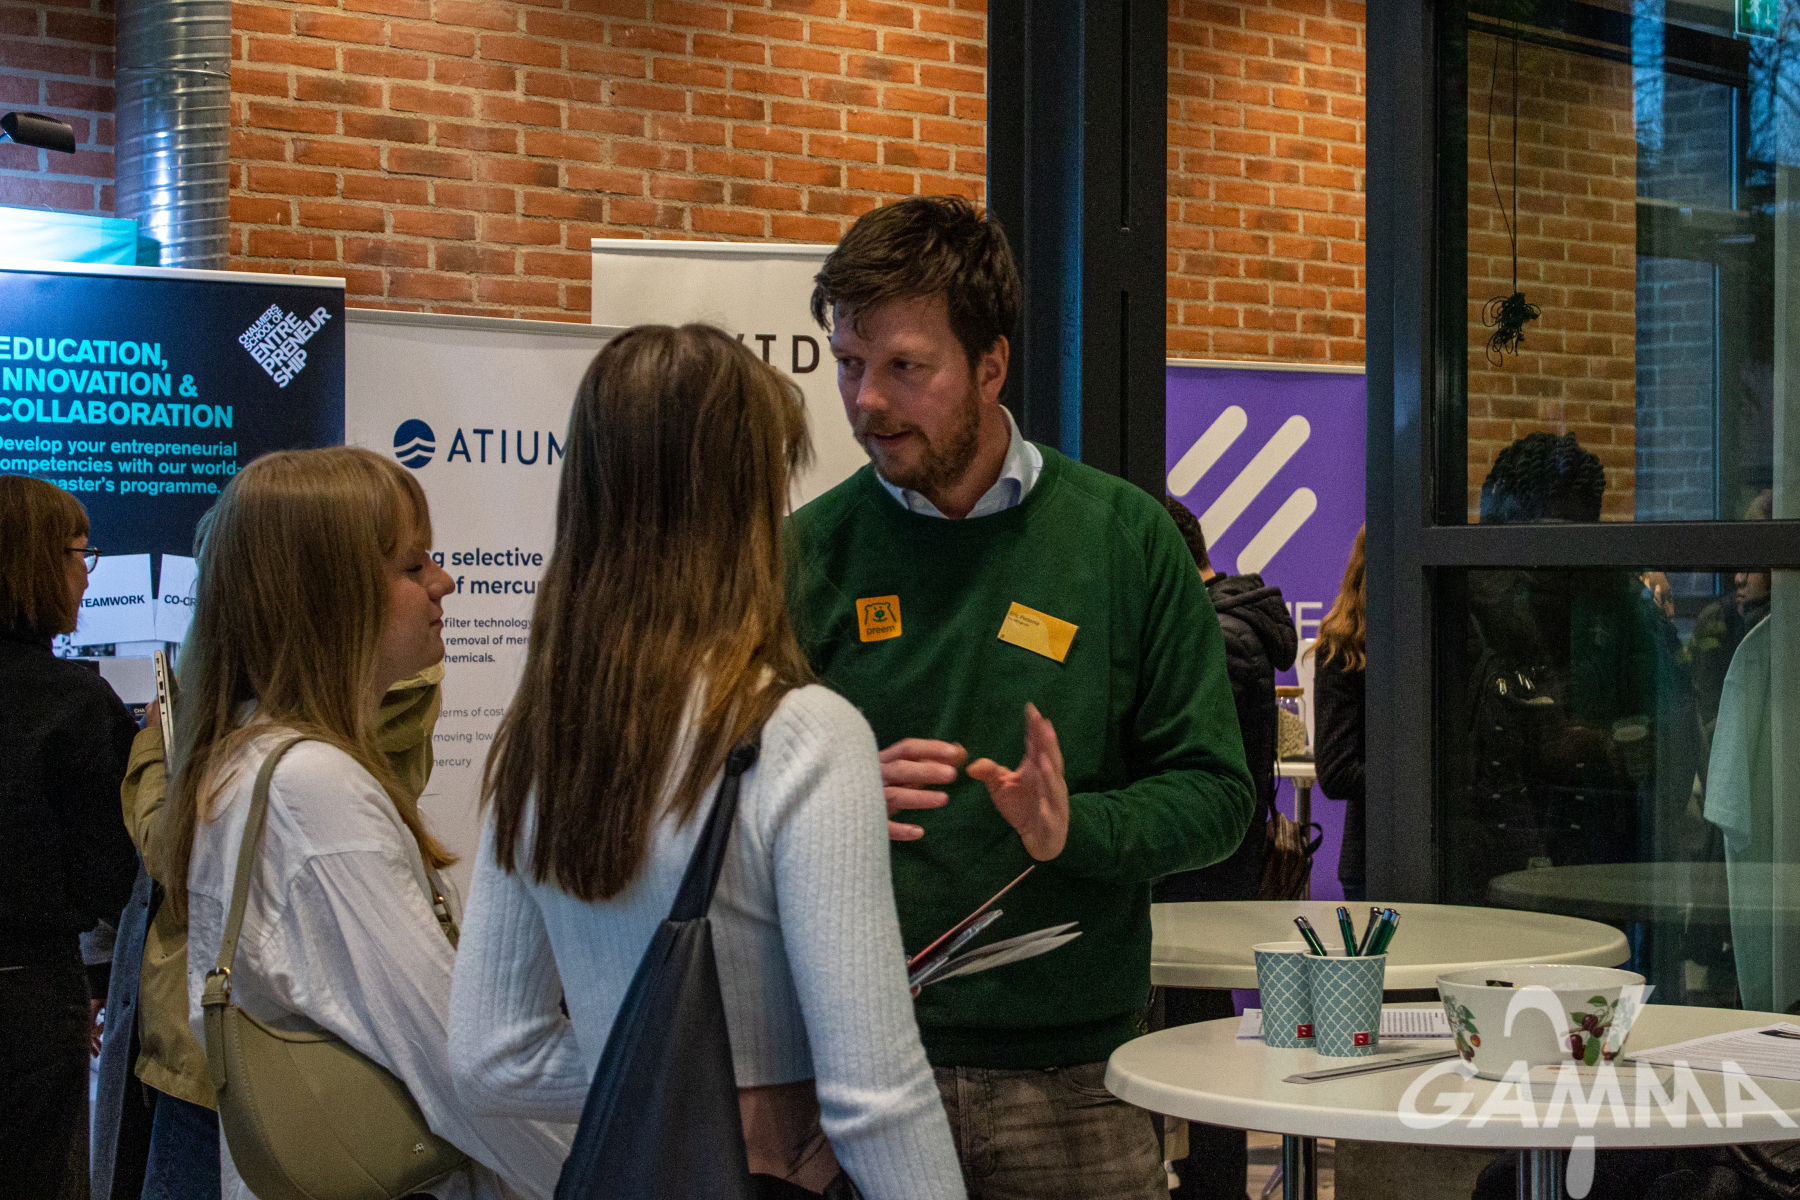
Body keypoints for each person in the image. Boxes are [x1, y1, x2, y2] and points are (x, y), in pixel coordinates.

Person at [787, 195, 1254, 1199]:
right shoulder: (806, 554)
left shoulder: (1124, 541)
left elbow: (1217, 796)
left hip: (1077, 1083)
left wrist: (1072, 828)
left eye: (905, 366)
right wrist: (824, 796)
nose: (868, 401)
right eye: (849, 363)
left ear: (991, 366)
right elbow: (716, 804)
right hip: (858, 1074)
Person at [450, 325, 965, 1199]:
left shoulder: (543, 741)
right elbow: (874, 1097)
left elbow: (492, 1058)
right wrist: (747, 1086)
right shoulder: (804, 734)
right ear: (744, 503)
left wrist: (668, 1080)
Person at [167, 447, 571, 1200]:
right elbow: (457, 1062)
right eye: (413, 566)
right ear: (327, 596)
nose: (444, 582)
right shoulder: (312, 788)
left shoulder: (255, 759)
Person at [97, 662, 444, 1200]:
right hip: (330, 1049)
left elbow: (178, 854)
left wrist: (152, 745)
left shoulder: (276, 738)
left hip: (223, 1056)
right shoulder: (384, 698)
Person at [1151, 495, 1296, 1200]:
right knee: (1200, 1027)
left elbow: (1210, 773)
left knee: (1198, 1034)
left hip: (1203, 868)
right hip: (1217, 864)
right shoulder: (1236, 623)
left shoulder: (1216, 633)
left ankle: (1211, 1183)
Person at [0, 475, 139, 1200]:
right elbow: (108, 877)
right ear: (36, 562)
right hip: (28, 999)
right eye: (82, 553)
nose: (88, 575)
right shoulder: (75, 701)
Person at [1310, 525, 1367, 902]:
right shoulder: (1343, 646)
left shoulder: (1449, 632)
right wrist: (1424, 780)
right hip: (1374, 855)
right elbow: (1336, 772)